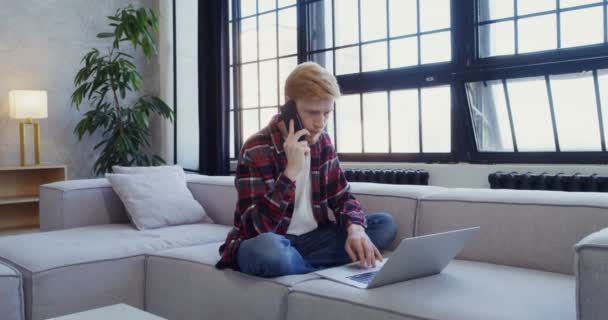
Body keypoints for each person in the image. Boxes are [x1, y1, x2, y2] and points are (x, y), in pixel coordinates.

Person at [215, 62, 397, 277]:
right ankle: (318, 270)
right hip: (270, 240)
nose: (320, 123)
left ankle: (299, 267)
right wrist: (289, 173)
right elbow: (254, 229)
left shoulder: (322, 142)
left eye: (327, 113)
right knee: (269, 252)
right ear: (289, 109)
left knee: (384, 224)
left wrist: (355, 229)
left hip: (314, 238)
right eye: (312, 112)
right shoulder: (255, 148)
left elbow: (342, 197)